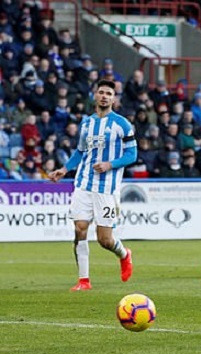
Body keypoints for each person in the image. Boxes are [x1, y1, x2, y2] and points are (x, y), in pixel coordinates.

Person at [48, 79, 138, 291]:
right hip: (83, 184)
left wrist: (110, 164)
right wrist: (65, 169)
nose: (105, 96)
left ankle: (125, 255)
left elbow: (132, 154)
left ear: (113, 98)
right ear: (95, 96)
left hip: (106, 189)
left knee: (105, 240)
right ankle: (83, 280)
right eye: (101, 92)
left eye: (109, 93)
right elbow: (80, 151)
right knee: (80, 229)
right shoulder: (86, 123)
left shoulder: (122, 124)